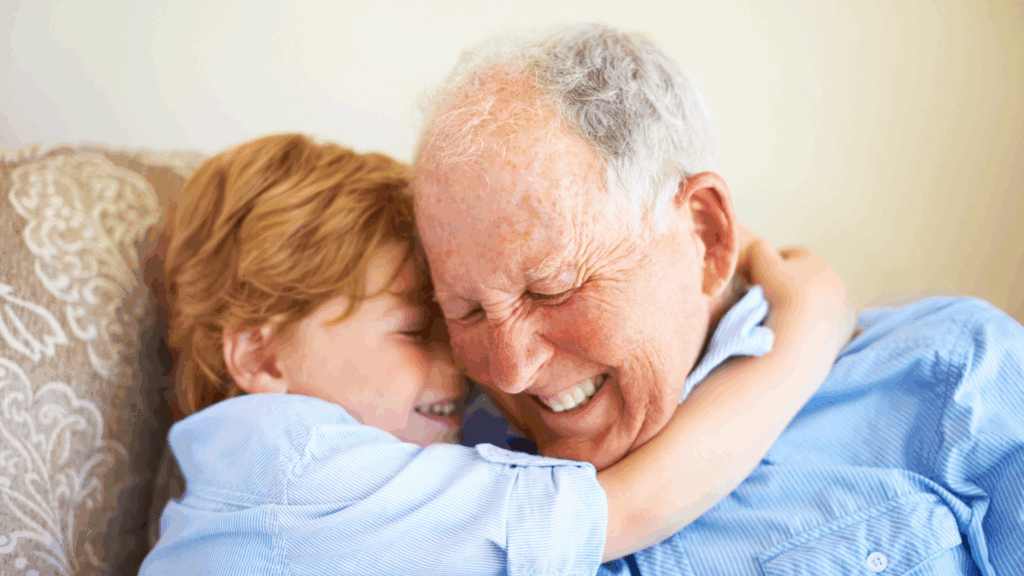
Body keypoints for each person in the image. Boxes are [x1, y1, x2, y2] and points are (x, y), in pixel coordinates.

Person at [413, 23, 1024, 575]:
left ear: (706, 236)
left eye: (552, 289)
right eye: (466, 309)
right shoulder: (442, 470)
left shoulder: (953, 377)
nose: (512, 370)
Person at [139, 133, 853, 575]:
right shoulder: (292, 467)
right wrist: (804, 332)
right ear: (261, 359)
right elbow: (626, 510)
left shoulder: (360, 458)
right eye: (415, 332)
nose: (462, 366)